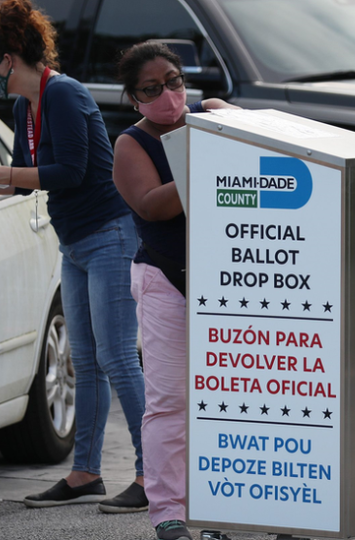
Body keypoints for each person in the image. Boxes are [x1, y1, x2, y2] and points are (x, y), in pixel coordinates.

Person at [0, 0, 147, 514]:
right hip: (77, 242)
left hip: (110, 234)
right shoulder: (25, 107)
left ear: (12, 57)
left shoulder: (63, 94)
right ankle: (86, 473)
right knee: (83, 361)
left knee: (115, 358)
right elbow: (23, 183)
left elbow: (68, 171)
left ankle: (153, 473)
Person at [111, 41, 238, 540]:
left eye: (175, 81)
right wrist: (208, 155)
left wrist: (229, 121)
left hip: (228, 281)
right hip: (167, 281)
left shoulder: (209, 117)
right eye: (152, 88)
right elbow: (152, 206)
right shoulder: (131, 144)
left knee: (229, 397)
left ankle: (227, 503)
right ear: (134, 97)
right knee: (169, 402)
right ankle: (169, 512)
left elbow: (260, 132)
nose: (168, 94)